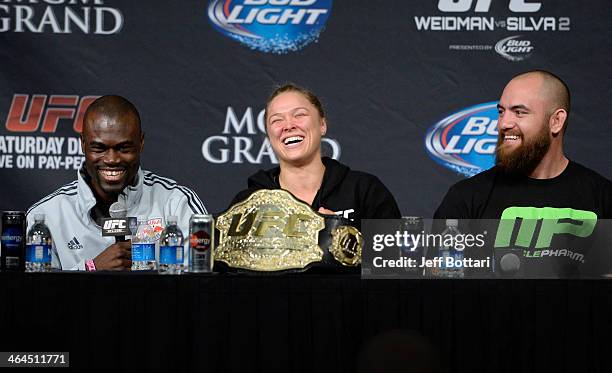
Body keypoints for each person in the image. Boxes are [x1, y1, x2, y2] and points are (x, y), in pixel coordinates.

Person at [433, 70, 612, 276]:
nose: (503, 124)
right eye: (501, 112)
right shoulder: (466, 197)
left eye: (519, 112)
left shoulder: (603, 197)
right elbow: (439, 283)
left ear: (556, 121)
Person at [26, 95, 207, 271]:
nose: (112, 159)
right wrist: (91, 268)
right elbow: (35, 297)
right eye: (99, 148)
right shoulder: (45, 216)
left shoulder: (177, 204)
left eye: (123, 148)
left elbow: (203, 289)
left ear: (141, 143)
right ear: (83, 144)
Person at [231, 83, 401, 228]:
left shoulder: (365, 190)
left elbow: (392, 263)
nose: (288, 125)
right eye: (277, 120)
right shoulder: (248, 202)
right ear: (269, 135)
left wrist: (344, 236)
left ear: (322, 125)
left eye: (299, 115)